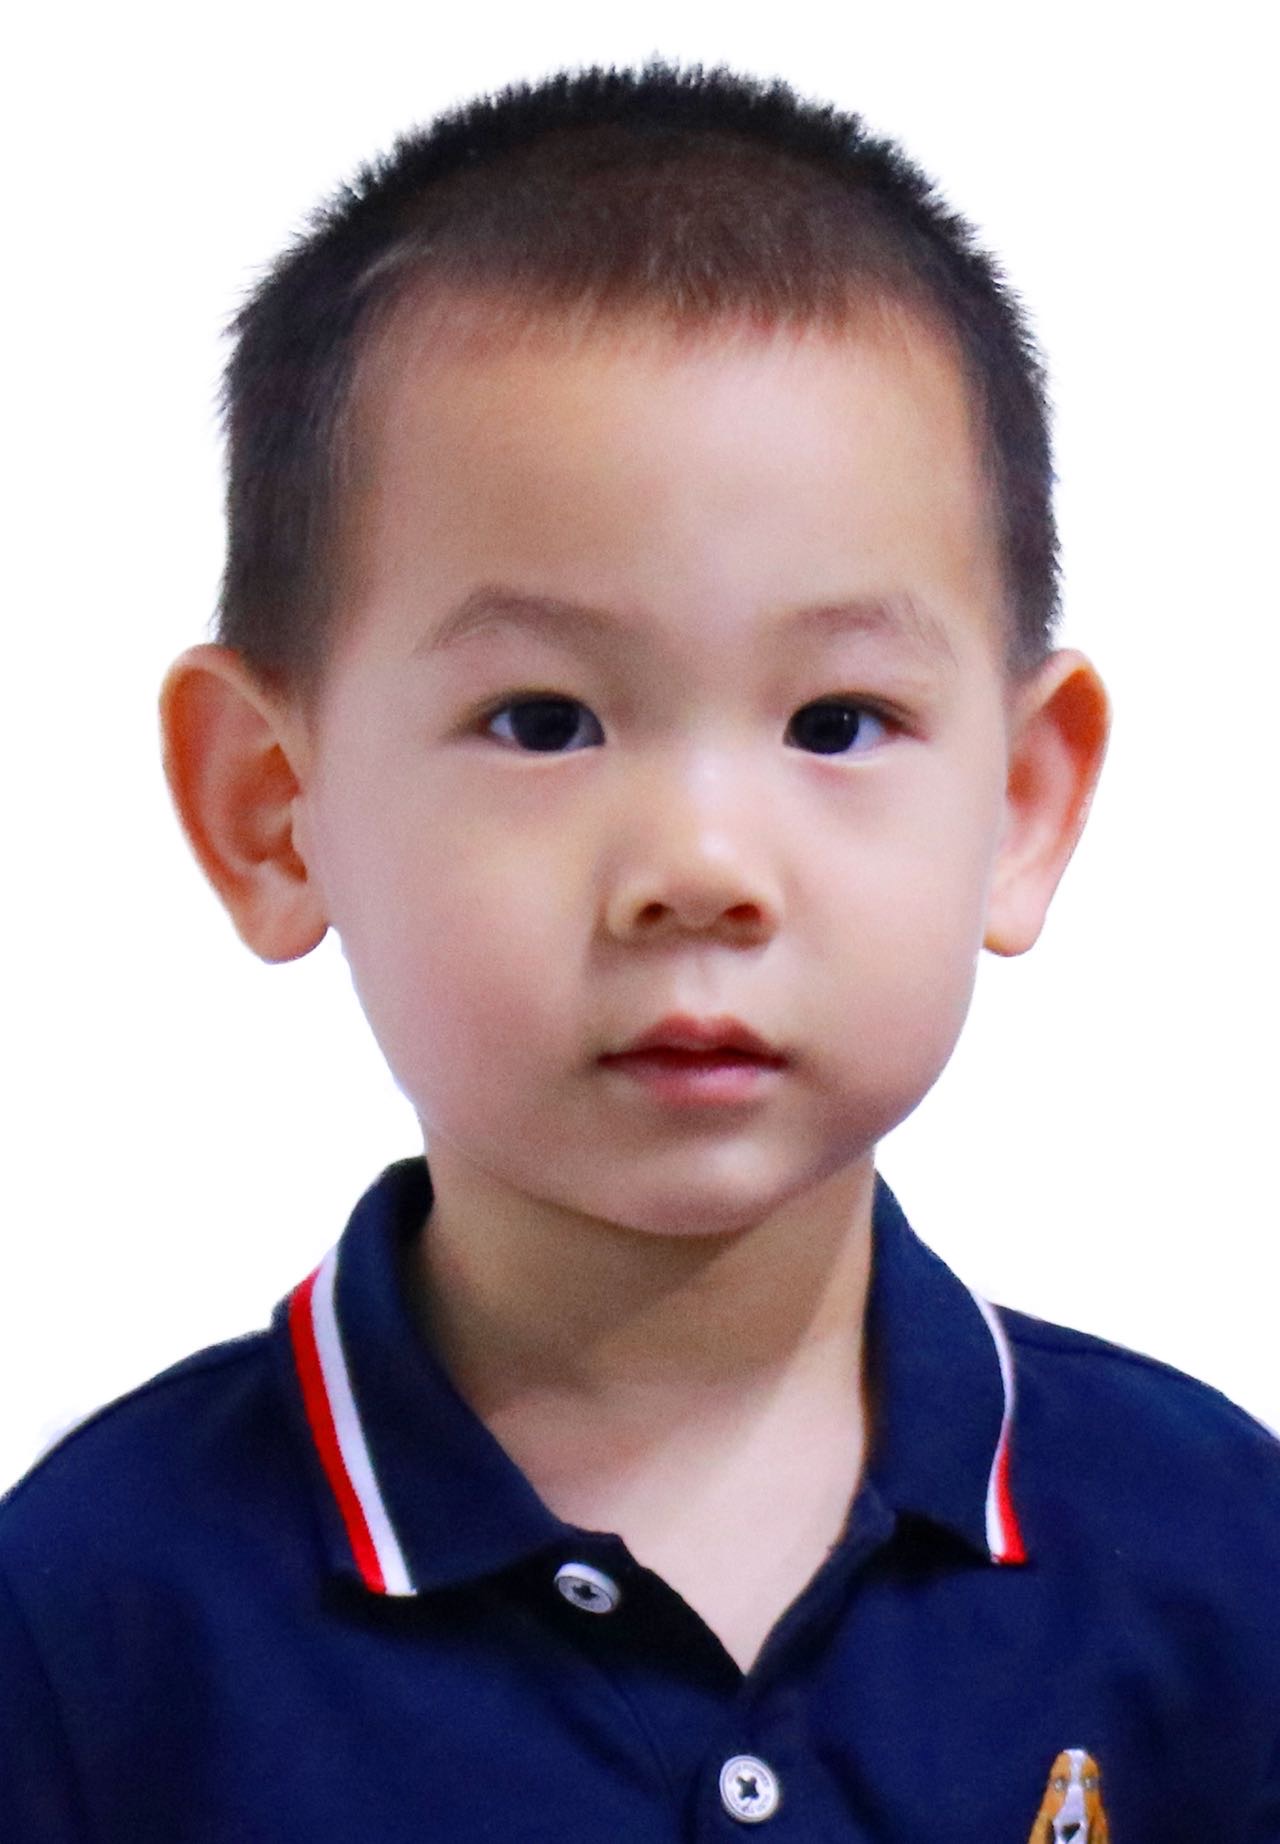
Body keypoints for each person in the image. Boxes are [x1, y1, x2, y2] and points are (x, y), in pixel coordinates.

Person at [2, 58, 1276, 1843]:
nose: (698, 870)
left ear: (1021, 803)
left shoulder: (1219, 1556)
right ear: (272, 809)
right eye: (544, 721)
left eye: (836, 723)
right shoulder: (91, 1623)